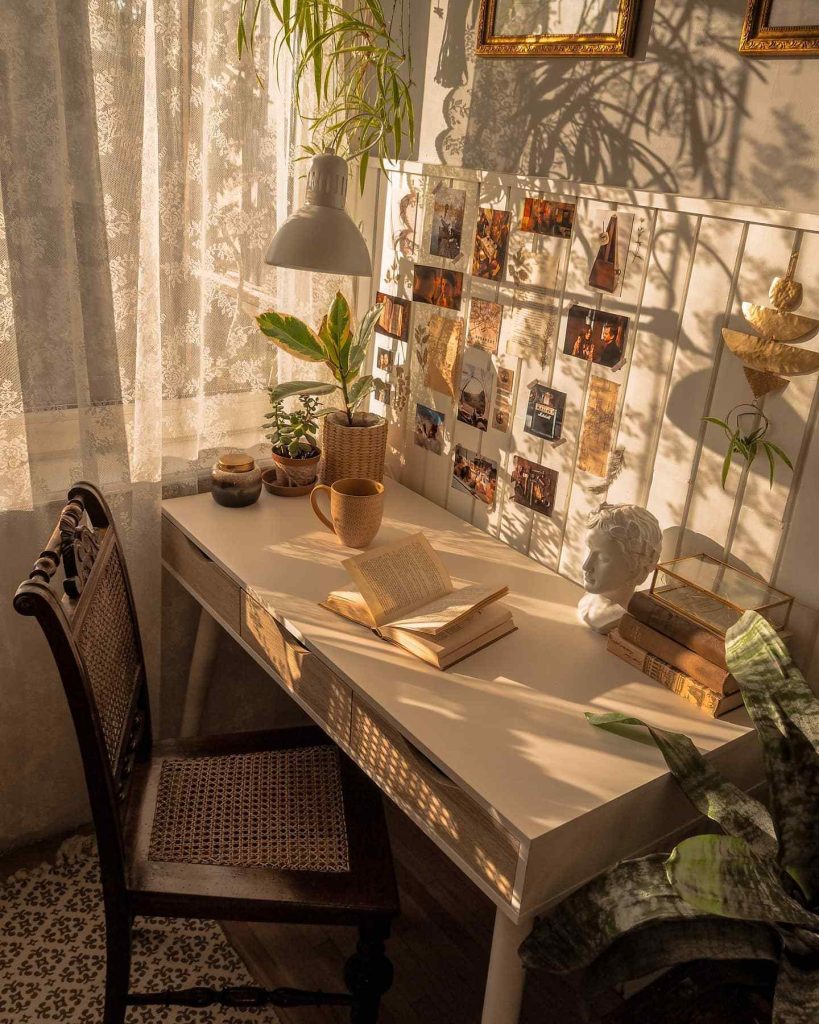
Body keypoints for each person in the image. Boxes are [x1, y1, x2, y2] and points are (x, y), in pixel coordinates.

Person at [578, 503, 663, 633]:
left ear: (636, 569)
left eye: (603, 558)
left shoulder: (621, 616)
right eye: (589, 548)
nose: (586, 566)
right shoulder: (586, 603)